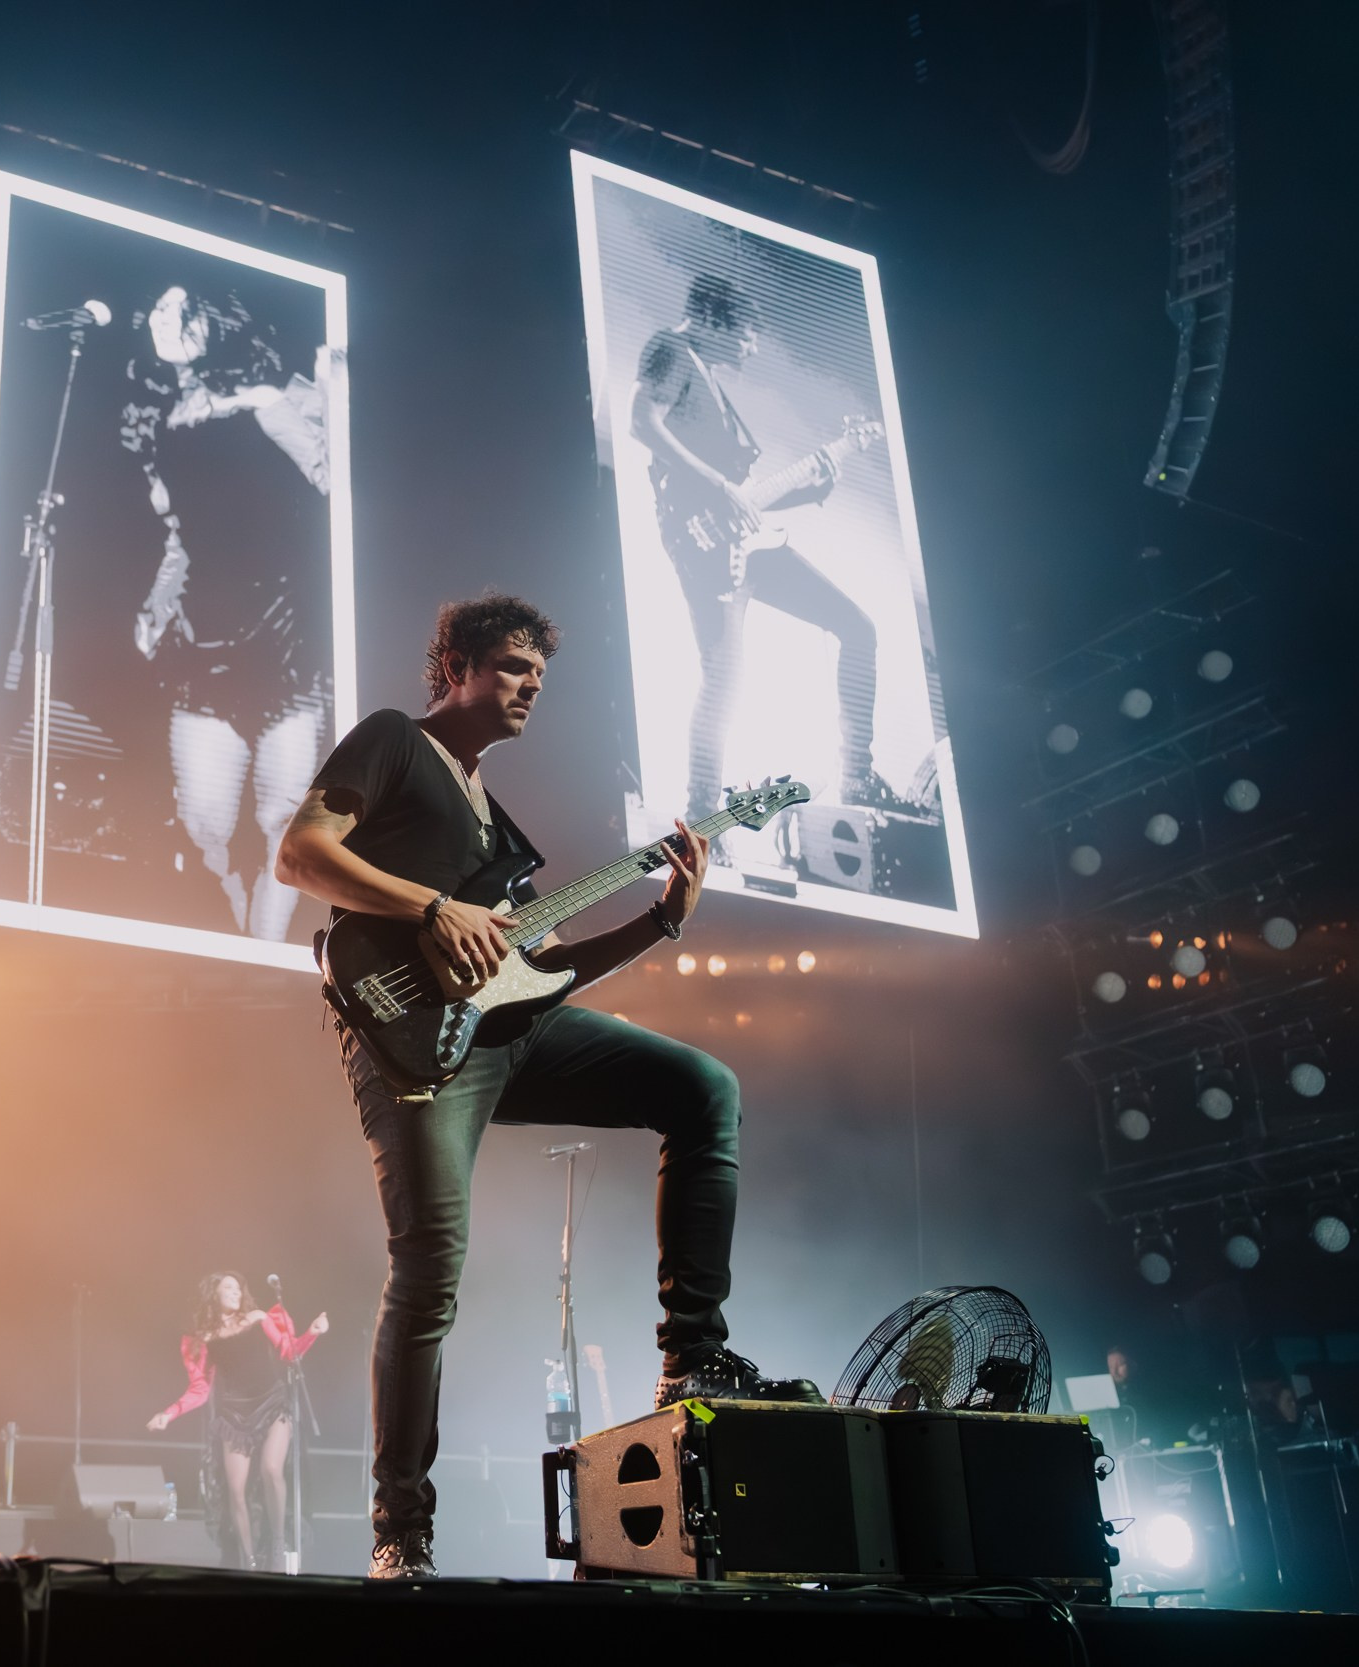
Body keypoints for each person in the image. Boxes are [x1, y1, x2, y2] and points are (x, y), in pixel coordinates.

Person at [275, 593, 818, 1581]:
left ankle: (691, 1352)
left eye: (538, 675)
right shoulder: (394, 741)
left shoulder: (497, 822)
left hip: (509, 1033)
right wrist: (433, 907)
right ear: (457, 665)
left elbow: (546, 969)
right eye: (514, 667)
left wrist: (661, 920)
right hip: (408, 1043)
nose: (529, 688)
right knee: (429, 1269)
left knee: (702, 1087)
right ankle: (402, 1528)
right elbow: (299, 852)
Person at [630, 274, 895, 822]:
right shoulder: (672, 348)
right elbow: (641, 420)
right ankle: (700, 818)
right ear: (714, 320)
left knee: (858, 629)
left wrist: (820, 476)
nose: (752, 345)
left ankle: (858, 776)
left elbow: (746, 502)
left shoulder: (707, 377)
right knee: (723, 677)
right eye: (747, 333)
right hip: (703, 546)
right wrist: (721, 487)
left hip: (744, 542)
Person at [125, 285, 334, 941]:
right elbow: (181, 535)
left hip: (284, 633)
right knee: (205, 823)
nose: (159, 316)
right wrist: (158, 603)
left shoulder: (276, 398)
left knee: (283, 819)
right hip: (205, 635)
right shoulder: (169, 418)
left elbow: (334, 480)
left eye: (176, 308)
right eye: (155, 308)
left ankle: (263, 951)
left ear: (213, 325)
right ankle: (242, 923)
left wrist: (289, 407)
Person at [145, 1271, 328, 1570]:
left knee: (271, 1469)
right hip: (234, 1415)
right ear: (214, 1295)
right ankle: (249, 1559)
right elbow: (200, 1389)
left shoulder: (257, 1318)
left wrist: (313, 1332)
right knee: (236, 1489)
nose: (235, 1292)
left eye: (238, 1288)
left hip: (272, 1404)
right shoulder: (203, 1338)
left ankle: (279, 1542)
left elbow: (288, 1352)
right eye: (228, 1287)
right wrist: (169, 1413)